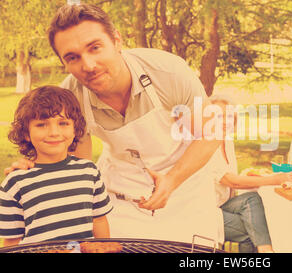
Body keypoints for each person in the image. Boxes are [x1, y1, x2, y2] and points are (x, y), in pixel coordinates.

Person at [5, 3, 222, 244]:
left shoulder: (168, 72)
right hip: (121, 197)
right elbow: (76, 165)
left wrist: (171, 181)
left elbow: (211, 134)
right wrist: (36, 168)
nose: (88, 65)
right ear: (64, 63)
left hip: (186, 188)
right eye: (73, 57)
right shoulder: (69, 98)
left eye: (95, 48)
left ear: (117, 41)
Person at [0, 86, 112, 246]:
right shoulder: (15, 182)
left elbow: (99, 220)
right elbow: (11, 240)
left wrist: (105, 248)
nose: (54, 132)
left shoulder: (89, 171)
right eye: (41, 125)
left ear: (75, 129)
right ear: (26, 133)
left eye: (63, 123)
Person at [210, 95, 292, 253]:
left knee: (254, 200)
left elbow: (230, 178)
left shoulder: (226, 141)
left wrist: (253, 177)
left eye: (229, 116)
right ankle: (266, 251)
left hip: (224, 204)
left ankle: (265, 250)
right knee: (256, 228)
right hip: (207, 211)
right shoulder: (207, 143)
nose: (224, 121)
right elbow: (230, 180)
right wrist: (273, 179)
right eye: (219, 116)